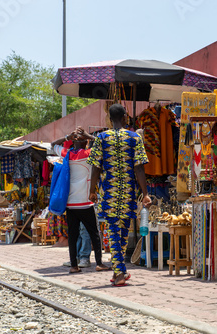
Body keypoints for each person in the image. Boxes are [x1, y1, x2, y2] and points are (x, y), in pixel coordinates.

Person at [87, 104, 151, 286]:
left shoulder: (101, 138)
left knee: (114, 232)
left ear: (110, 119)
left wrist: (92, 190)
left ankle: (119, 273)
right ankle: (120, 271)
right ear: (124, 117)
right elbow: (139, 167)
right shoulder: (134, 137)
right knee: (122, 233)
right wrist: (145, 193)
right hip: (128, 194)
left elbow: (95, 167)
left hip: (109, 193)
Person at [51, 128, 110, 274]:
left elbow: (52, 145)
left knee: (73, 235)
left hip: (70, 203)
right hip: (85, 202)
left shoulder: (67, 154)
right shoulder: (89, 154)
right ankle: (99, 263)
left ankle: (74, 266)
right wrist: (89, 136)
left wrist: (67, 137)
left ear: (73, 143)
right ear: (86, 143)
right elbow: (104, 144)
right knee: (94, 234)